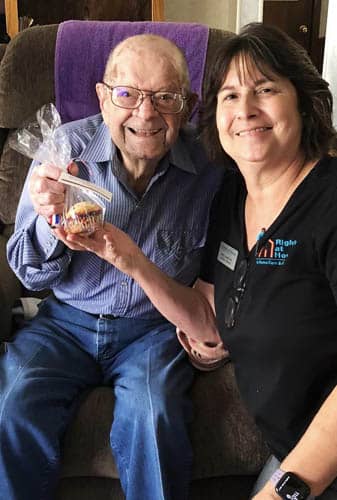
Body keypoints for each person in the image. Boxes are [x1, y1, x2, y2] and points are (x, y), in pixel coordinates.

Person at [69, 23, 337, 500]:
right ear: (213, 114)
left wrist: (288, 490)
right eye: (229, 96)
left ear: (305, 100)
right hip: (291, 447)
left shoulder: (330, 199)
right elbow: (211, 319)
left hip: (314, 468)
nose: (246, 110)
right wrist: (130, 260)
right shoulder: (231, 195)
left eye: (266, 90)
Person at [3, 34, 225, 500]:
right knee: (11, 404)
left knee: (155, 412)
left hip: (152, 329)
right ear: (104, 98)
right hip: (65, 324)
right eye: (128, 95)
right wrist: (48, 222)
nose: (146, 115)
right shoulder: (65, 151)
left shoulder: (210, 170)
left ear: (186, 106)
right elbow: (27, 271)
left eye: (165, 98)